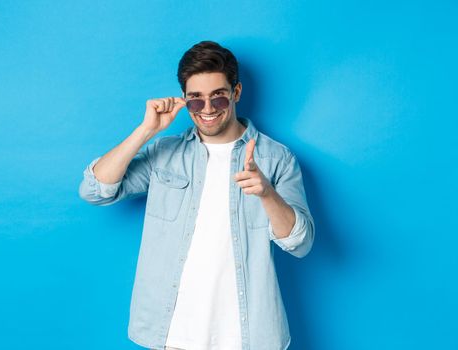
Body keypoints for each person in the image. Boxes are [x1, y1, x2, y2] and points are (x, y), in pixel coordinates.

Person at [78, 40, 315, 350]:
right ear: (185, 100)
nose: (207, 110)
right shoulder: (165, 153)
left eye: (218, 98)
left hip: (247, 335)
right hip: (173, 332)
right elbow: (95, 190)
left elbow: (301, 244)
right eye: (195, 100)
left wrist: (267, 193)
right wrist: (146, 131)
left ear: (236, 93)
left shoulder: (276, 159)